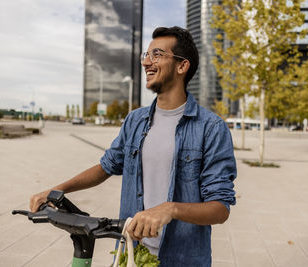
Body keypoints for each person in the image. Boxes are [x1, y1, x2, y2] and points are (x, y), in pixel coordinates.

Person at [30, 26, 237, 266]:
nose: (147, 62)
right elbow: (107, 166)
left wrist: (170, 209)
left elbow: (220, 209)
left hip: (183, 258)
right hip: (132, 255)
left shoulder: (211, 128)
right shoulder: (135, 120)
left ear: (182, 66)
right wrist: (56, 191)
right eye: (146, 56)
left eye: (157, 55)